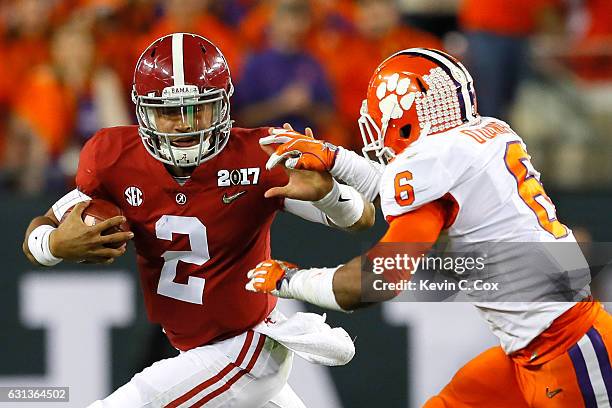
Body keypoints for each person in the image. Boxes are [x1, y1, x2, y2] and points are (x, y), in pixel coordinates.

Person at [22, 33, 374, 407]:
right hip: (199, 353)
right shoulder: (114, 159)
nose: (184, 124)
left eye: (197, 108)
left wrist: (329, 194)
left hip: (249, 347)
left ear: (222, 105)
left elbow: (361, 219)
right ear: (144, 112)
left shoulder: (258, 155)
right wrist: (53, 246)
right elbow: (43, 224)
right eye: (170, 111)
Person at [247, 48, 612, 406]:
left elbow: (378, 281)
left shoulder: (435, 168)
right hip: (536, 348)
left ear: (405, 119)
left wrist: (289, 281)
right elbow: (407, 187)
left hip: (569, 350)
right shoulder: (485, 134)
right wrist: (336, 157)